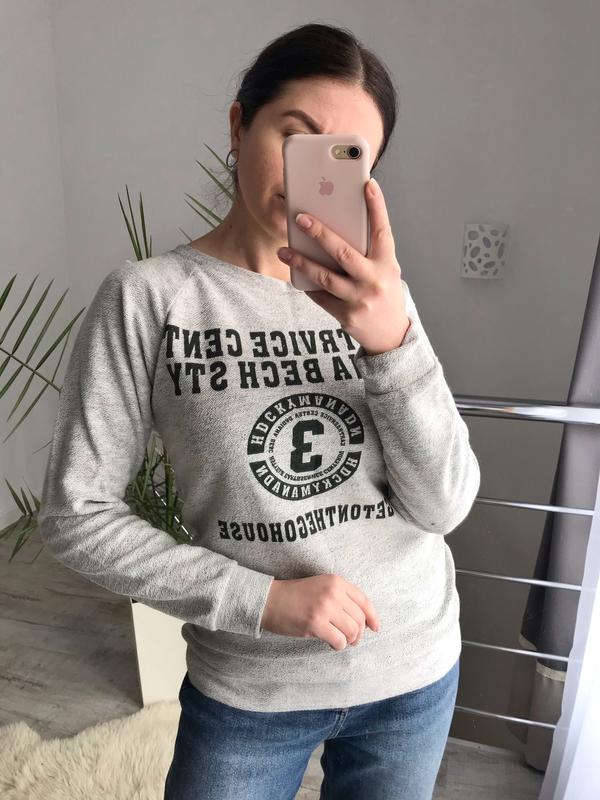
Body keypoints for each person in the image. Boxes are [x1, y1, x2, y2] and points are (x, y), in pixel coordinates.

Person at [37, 21, 480, 800]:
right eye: (296, 135)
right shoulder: (150, 299)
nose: (314, 171)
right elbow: (77, 515)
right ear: (240, 125)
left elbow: (443, 506)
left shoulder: (381, 301)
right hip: (250, 689)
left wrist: (393, 342)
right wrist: (261, 601)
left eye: (345, 156)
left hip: (411, 668)